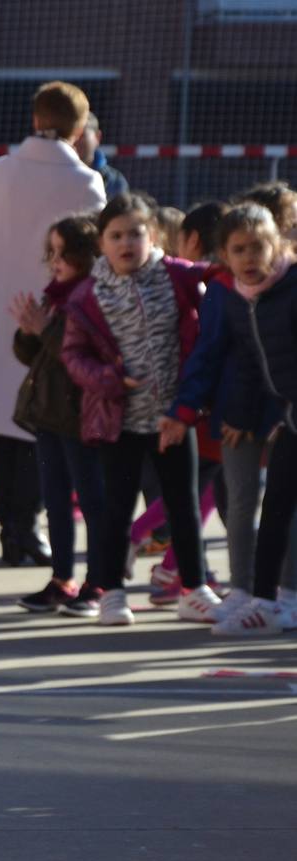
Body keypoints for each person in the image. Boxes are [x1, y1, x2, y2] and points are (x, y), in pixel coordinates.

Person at [61, 191, 223, 627]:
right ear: (102, 243)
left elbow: (223, 274)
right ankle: (111, 592)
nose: (127, 242)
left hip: (174, 417)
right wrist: (110, 380)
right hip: (120, 422)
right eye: (116, 235)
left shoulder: (179, 277)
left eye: (136, 233)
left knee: (184, 505)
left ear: (153, 236)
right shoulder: (87, 296)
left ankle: (194, 589)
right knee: (117, 508)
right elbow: (74, 357)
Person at [0, 81, 107, 567]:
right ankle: (32, 528)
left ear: (33, 120)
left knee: (6, 426)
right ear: (79, 128)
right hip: (58, 313)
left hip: (0, 305)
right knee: (47, 421)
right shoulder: (88, 183)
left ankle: (13, 530)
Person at [164, 202, 297, 635]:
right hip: (245, 411)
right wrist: (185, 412)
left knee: (284, 506)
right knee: (245, 503)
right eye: (238, 249)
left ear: (277, 244)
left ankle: (284, 596)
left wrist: (280, 414)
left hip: (285, 414)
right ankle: (247, 591)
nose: (249, 257)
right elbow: (223, 356)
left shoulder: (290, 287)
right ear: (224, 254)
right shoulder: (227, 293)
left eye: (259, 246)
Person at [9, 216, 107, 617]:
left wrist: (45, 329)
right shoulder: (55, 295)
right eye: (51, 252)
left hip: (80, 417)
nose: (55, 261)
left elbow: (80, 359)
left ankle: (99, 581)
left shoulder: (93, 297)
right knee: (55, 501)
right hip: (50, 417)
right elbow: (34, 357)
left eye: (64, 252)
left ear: (85, 255)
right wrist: (28, 331)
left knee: (92, 500)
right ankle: (62, 577)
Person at [75, 112, 129, 198]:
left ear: (97, 137)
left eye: (81, 135)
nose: (74, 141)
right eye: (71, 136)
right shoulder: (54, 175)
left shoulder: (115, 181)